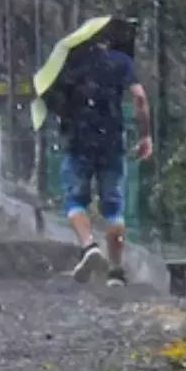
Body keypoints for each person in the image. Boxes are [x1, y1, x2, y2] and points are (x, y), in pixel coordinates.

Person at [56, 31, 153, 287]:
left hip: (78, 139)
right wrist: (145, 136)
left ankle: (89, 247)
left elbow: (57, 101)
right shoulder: (121, 61)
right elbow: (140, 98)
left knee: (75, 200)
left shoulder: (71, 62)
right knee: (114, 207)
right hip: (111, 139)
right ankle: (116, 272)